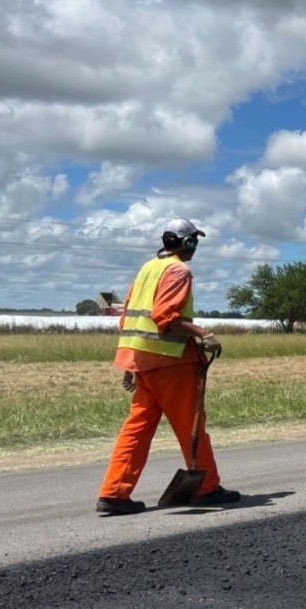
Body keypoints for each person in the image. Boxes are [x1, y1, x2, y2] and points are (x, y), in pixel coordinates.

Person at [97, 218, 239, 515]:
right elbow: (165, 317)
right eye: (195, 242)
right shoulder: (178, 270)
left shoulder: (148, 268)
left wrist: (132, 362)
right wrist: (205, 335)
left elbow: (129, 319)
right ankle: (206, 487)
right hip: (171, 363)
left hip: (144, 361)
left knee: (136, 428)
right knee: (192, 427)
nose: (196, 248)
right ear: (187, 243)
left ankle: (114, 493)